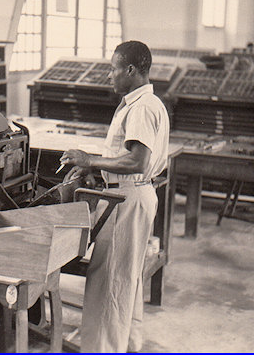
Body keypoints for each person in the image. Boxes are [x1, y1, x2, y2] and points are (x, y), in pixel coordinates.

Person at [60, 40, 170, 352]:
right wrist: (96, 170)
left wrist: (89, 160)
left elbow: (137, 161)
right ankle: (127, 347)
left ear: (131, 70)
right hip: (131, 194)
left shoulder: (142, 108)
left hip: (127, 199)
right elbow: (127, 157)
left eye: (114, 69)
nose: (110, 76)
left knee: (108, 283)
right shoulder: (143, 104)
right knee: (126, 283)